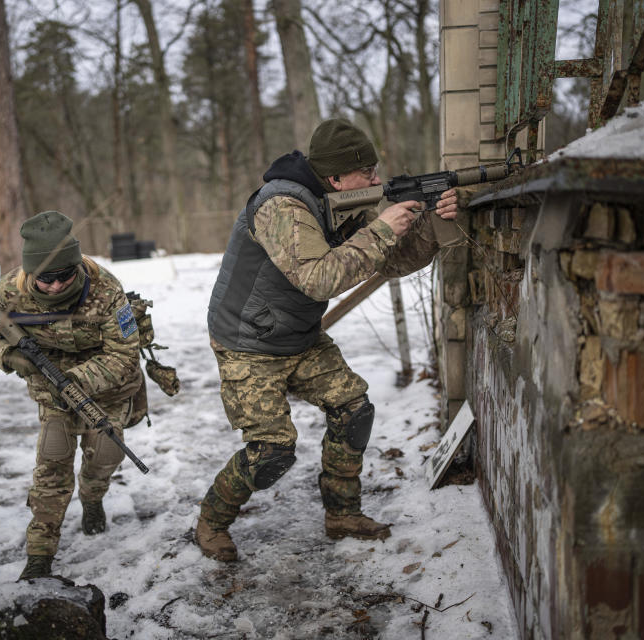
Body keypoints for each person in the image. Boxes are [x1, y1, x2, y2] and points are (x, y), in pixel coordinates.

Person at [195, 118, 461, 561]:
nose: (376, 180)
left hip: (299, 335)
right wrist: (381, 229)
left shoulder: (342, 202)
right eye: (367, 173)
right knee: (271, 452)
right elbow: (318, 279)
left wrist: (432, 224)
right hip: (249, 343)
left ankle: (342, 515)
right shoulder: (282, 206)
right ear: (336, 177)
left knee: (354, 410)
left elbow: (388, 261)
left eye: (376, 170)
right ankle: (211, 521)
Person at [0, 211, 146, 580]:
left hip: (109, 388)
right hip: (51, 392)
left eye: (63, 277)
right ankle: (40, 554)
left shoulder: (107, 290)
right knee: (52, 466)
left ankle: (92, 497)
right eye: (45, 279)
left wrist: (75, 379)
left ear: (78, 267)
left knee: (105, 454)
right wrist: (10, 357)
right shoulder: (8, 291)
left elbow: (124, 353)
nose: (54, 287)